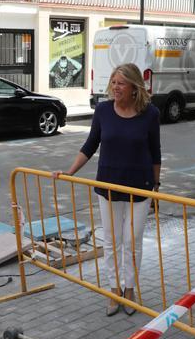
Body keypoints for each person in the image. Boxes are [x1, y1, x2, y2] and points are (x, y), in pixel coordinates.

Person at [57, 63, 161, 316]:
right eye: (113, 82)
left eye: (121, 83)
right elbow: (90, 145)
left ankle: (130, 289)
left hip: (141, 188)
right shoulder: (103, 110)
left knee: (132, 241)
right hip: (108, 186)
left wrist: (156, 189)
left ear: (134, 87)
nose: (116, 87)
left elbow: (155, 153)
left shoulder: (150, 114)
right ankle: (114, 289)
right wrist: (70, 172)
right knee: (112, 242)